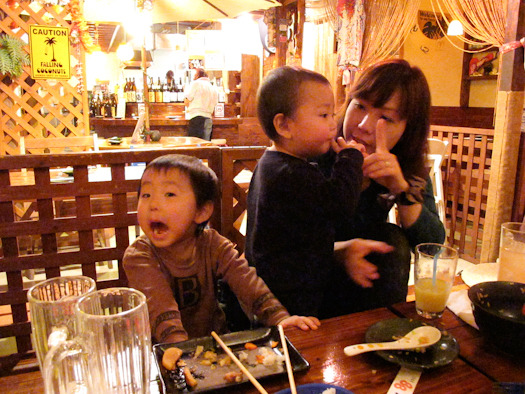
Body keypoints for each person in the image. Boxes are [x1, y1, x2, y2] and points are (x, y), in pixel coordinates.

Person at [123, 154, 320, 344]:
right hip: (161, 356)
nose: (153, 204)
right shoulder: (140, 256)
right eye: (146, 194)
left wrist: (279, 319)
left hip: (216, 345)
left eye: (169, 194)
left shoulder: (213, 244)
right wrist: (179, 349)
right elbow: (161, 308)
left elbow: (246, 280)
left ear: (202, 212)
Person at [317, 58, 446, 317]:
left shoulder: (405, 166)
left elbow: (432, 245)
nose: (364, 125)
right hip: (302, 286)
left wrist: (401, 188)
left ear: (408, 128)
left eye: (385, 117)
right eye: (360, 106)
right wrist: (337, 253)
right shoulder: (317, 148)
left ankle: (384, 334)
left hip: (361, 287)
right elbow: (278, 244)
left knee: (393, 242)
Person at [245, 66, 366, 318]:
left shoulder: (273, 164)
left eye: (332, 114)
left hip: (277, 283)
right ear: (284, 125)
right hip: (289, 294)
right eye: (324, 115)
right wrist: (351, 159)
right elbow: (341, 203)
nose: (334, 124)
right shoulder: (290, 173)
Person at [184, 68, 218, 141]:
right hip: (209, 119)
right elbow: (215, 103)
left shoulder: (195, 84)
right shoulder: (213, 87)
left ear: (197, 75)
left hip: (196, 118)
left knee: (195, 146)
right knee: (205, 146)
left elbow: (187, 101)